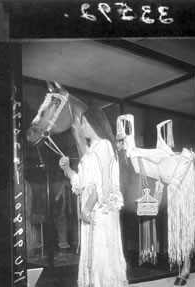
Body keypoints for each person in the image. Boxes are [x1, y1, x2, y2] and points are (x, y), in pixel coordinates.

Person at [59, 107, 127, 287]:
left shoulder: (104, 145)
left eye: (84, 123)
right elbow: (80, 183)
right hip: (90, 212)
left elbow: (102, 184)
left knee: (101, 257)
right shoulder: (91, 150)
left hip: (100, 212)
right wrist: (66, 168)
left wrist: (87, 208)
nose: (81, 127)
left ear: (94, 123)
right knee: (94, 257)